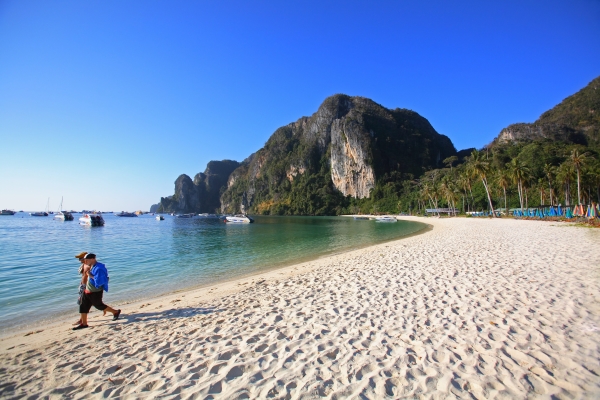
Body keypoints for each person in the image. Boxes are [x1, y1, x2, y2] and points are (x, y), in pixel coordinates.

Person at [73, 253, 121, 330]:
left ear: (92, 259)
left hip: (95, 291)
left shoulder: (99, 268)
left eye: (86, 259)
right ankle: (84, 323)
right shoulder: (91, 266)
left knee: (99, 305)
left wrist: (90, 275)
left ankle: (115, 312)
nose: (85, 261)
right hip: (87, 290)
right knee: (83, 306)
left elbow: (101, 281)